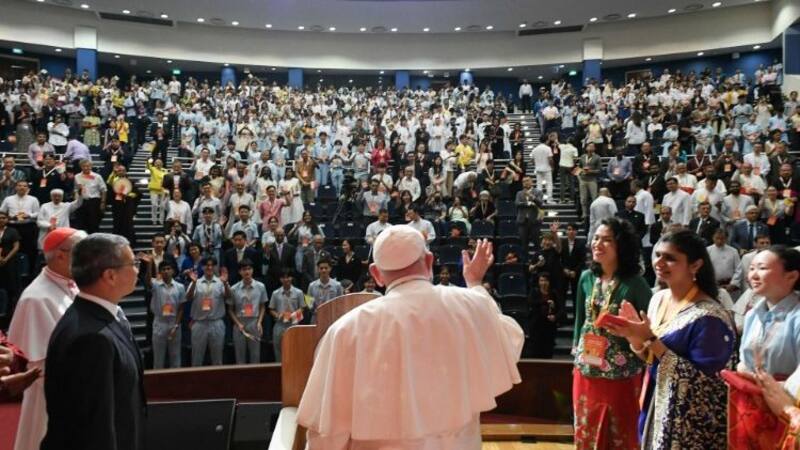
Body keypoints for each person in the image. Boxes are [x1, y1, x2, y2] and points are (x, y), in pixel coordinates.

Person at [296, 228, 523, 448]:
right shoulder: (470, 305)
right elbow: (509, 340)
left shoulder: (346, 331)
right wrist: (474, 283)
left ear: (376, 274)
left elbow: (329, 432)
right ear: (429, 261)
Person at [603, 230, 735, 449]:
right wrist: (634, 338)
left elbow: (706, 384)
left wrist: (650, 338)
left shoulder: (710, 317)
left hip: (688, 422)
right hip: (655, 401)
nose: (659, 262)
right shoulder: (658, 298)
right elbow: (650, 356)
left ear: (695, 265)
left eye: (670, 258)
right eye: (657, 255)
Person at [41, 233, 145, 450]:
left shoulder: (100, 316)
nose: (138, 268)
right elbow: (95, 427)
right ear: (110, 276)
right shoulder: (92, 339)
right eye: (133, 263)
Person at [572, 217, 652, 450]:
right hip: (586, 368)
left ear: (621, 246)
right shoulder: (587, 277)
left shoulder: (636, 283)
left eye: (607, 240)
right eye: (596, 238)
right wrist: (575, 356)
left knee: (621, 432)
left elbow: (649, 326)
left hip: (622, 373)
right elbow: (581, 319)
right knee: (586, 429)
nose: (598, 244)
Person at [7, 228, 86, 450]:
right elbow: (36, 362)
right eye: (82, 250)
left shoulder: (75, 284)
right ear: (61, 255)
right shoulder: (36, 298)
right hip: (51, 397)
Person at [738, 246, 800, 378]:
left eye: (762, 268)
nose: (753, 275)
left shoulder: (796, 317)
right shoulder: (752, 315)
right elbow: (744, 361)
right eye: (752, 268)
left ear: (791, 276)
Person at [141, 258, 186, 369]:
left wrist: (176, 325)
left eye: (168, 268)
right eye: (163, 269)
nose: (166, 271)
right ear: (160, 272)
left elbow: (181, 308)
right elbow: (147, 280)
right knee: (158, 358)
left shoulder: (180, 287)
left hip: (174, 323)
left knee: (175, 357)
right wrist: (149, 264)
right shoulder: (156, 284)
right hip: (159, 322)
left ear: (173, 271)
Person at [186, 257, 230, 366]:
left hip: (216, 322)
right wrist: (194, 283)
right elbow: (188, 297)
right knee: (196, 358)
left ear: (215, 267)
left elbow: (228, 297)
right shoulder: (196, 281)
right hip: (199, 323)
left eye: (212, 265)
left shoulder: (221, 281)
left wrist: (225, 283)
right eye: (206, 265)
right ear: (202, 267)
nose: (209, 267)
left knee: (217, 358)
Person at [227, 259, 268, 364]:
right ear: (240, 272)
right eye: (244, 269)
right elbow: (230, 309)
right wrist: (238, 323)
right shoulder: (234, 288)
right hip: (239, 323)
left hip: (254, 322)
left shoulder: (260, 286)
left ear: (252, 270)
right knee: (240, 356)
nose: (247, 272)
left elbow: (263, 306)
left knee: (255, 355)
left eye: (249, 269)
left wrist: (259, 322)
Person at [269, 269, 305, 362]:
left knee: (295, 351)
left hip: (294, 324)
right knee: (278, 351)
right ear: (280, 279)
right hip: (279, 325)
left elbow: (302, 308)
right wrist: (278, 315)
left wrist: (294, 315)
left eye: (288, 277)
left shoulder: (299, 292)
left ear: (291, 278)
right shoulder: (275, 293)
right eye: (283, 277)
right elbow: (271, 309)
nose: (286, 279)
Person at [73, 160, 107, 234]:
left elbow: (104, 190)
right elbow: (76, 189)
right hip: (81, 202)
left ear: (91, 166)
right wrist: (76, 200)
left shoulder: (97, 176)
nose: (86, 168)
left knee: (93, 224)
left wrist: (103, 202)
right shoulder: (77, 176)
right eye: (84, 166)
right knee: (80, 224)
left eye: (88, 166)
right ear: (81, 167)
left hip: (94, 202)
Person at [515, 176, 543, 252]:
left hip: (534, 221)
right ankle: (525, 262)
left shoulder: (538, 192)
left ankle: (538, 260)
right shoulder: (519, 193)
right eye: (524, 181)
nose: (525, 182)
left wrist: (533, 198)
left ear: (532, 182)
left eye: (527, 180)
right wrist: (528, 203)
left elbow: (540, 203)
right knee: (523, 244)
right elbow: (517, 204)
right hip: (522, 221)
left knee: (537, 243)